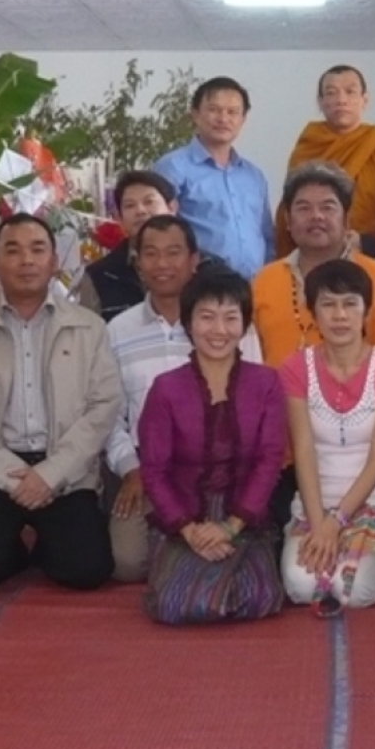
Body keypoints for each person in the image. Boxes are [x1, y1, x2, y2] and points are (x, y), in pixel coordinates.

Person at [0, 213, 121, 595]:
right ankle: (14, 552)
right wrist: (13, 477)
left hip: (65, 472)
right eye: (13, 250)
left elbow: (103, 407)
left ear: (53, 261)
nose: (26, 260)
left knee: (87, 571)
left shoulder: (89, 327)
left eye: (37, 249)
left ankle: (47, 545)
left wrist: (51, 473)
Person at [138, 271, 287, 625]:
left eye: (231, 317)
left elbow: (269, 460)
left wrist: (230, 527)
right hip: (185, 517)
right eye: (207, 317)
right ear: (188, 323)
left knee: (261, 599)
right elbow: (154, 471)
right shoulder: (166, 388)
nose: (219, 330)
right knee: (174, 606)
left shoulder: (266, 383)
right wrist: (191, 531)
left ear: (245, 325)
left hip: (245, 517)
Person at [278, 260, 375, 612]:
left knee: (352, 592)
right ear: (312, 312)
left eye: (350, 304)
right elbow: (303, 449)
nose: (340, 315)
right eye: (328, 304)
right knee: (301, 588)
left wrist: (337, 522)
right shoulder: (295, 368)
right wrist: (319, 523)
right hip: (314, 506)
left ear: (366, 311)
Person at [103, 215, 204, 583]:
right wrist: (131, 468)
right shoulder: (118, 330)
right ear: (138, 263)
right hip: (145, 468)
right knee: (126, 563)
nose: (162, 264)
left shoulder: (223, 322)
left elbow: (251, 404)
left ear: (194, 260)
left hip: (212, 468)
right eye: (151, 254)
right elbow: (109, 415)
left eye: (173, 252)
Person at [253, 161, 375, 368]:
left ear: (347, 220)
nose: (316, 216)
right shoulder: (264, 282)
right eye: (304, 208)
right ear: (288, 221)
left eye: (327, 207)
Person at [275, 65, 375, 257]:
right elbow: (291, 206)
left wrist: (370, 241)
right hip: (313, 252)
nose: (341, 100)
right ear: (320, 102)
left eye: (350, 92)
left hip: (372, 255)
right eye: (331, 93)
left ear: (364, 100)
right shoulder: (308, 146)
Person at [153, 76, 275, 280]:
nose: (223, 119)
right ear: (195, 114)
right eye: (214, 110)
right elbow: (159, 231)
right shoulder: (172, 167)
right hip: (199, 285)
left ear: (243, 119)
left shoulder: (254, 176)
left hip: (255, 287)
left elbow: (267, 236)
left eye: (232, 112)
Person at [75, 170, 178, 321]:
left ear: (172, 208)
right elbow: (88, 331)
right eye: (130, 205)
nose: (140, 211)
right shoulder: (99, 275)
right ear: (119, 217)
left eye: (149, 202)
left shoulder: (200, 266)